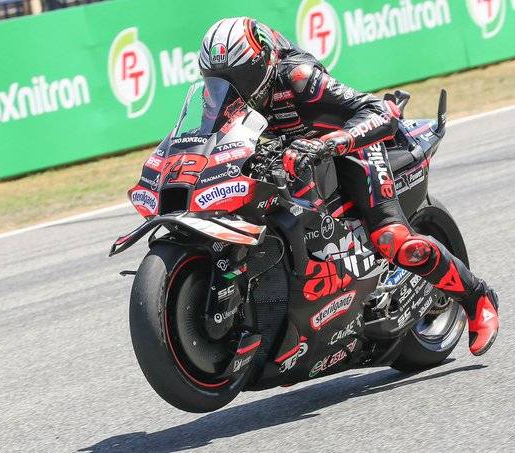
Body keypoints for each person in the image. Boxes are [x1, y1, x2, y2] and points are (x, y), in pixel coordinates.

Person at [198, 17, 499, 356]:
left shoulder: (298, 77)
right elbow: (209, 140)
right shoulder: (223, 98)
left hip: (350, 149)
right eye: (219, 81)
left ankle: (478, 298)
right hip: (294, 158)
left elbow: (379, 112)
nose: (231, 90)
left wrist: (328, 143)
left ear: (262, 63)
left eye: (238, 78)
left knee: (392, 239)